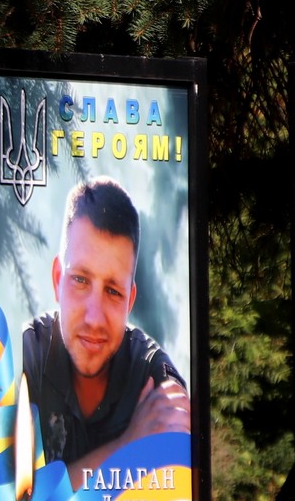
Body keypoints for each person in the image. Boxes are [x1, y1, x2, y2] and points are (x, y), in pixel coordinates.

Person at [21, 177, 189, 485]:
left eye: (113, 291)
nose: (95, 318)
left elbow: (179, 482)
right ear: (57, 280)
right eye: (80, 280)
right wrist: (129, 447)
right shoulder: (24, 357)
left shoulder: (152, 372)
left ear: (130, 301)